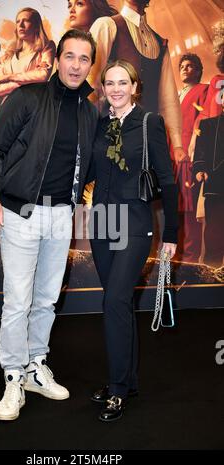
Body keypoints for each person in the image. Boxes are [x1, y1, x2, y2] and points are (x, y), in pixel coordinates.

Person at [0, 29, 98, 421]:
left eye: (84, 59)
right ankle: (12, 375)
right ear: (58, 59)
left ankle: (35, 365)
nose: (76, 65)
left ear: (89, 65)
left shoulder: (89, 111)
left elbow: (88, 165)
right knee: (18, 300)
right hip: (20, 212)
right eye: (70, 56)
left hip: (61, 215)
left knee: (46, 299)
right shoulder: (28, 97)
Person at [89, 60, 178, 422]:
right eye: (109, 83)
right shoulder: (99, 123)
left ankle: (118, 389)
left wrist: (171, 234)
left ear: (135, 86)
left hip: (134, 221)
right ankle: (127, 381)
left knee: (115, 300)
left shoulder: (148, 122)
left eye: (122, 82)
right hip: (101, 222)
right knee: (118, 304)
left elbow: (168, 181)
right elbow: (89, 171)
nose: (115, 89)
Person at [89, 0, 185, 163]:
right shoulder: (107, 25)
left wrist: (177, 145)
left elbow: (167, 100)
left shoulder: (161, 44)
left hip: (146, 145)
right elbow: (90, 86)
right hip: (109, 144)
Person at [175, 54, 208, 262]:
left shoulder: (203, 90)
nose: (186, 69)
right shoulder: (175, 95)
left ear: (199, 70)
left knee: (189, 208)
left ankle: (189, 258)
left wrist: (193, 151)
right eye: (183, 66)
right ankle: (174, 255)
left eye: (191, 66)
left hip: (188, 156)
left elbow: (203, 120)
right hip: (171, 158)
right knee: (173, 207)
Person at [0, 7, 56, 106]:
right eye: (18, 22)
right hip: (6, 109)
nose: (21, 25)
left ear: (36, 26)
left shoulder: (46, 47)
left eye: (26, 21)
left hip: (32, 108)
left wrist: (8, 77)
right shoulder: (8, 55)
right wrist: (28, 83)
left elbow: (42, 75)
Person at [192, 90, 224, 268]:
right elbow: (200, 153)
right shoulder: (209, 125)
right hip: (217, 184)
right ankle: (211, 275)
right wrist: (199, 169)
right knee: (214, 233)